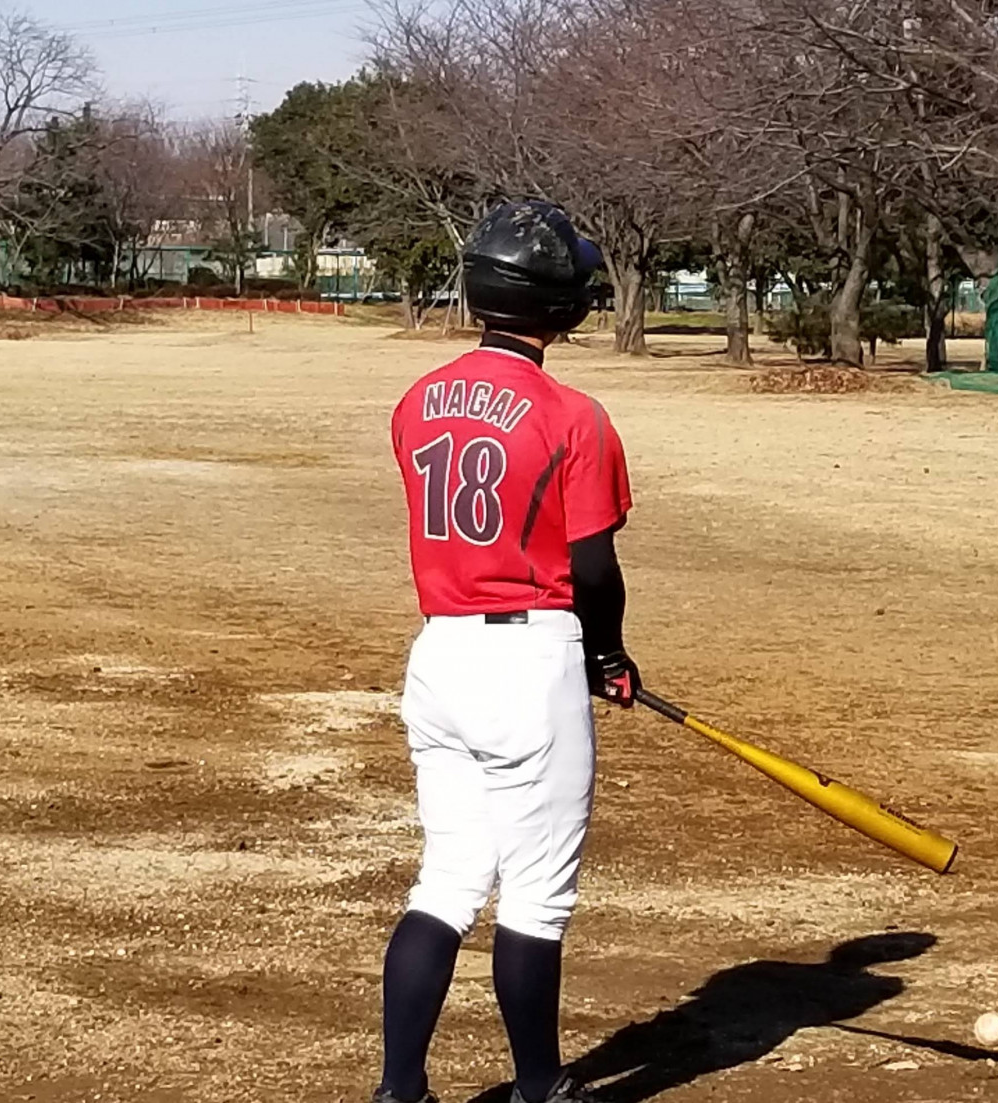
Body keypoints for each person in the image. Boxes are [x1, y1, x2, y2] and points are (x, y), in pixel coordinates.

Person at [378, 199, 639, 1103]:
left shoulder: (417, 400)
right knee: (535, 898)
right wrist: (608, 655)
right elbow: (592, 568)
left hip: (439, 655)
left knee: (448, 878)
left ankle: (399, 1090)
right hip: (529, 662)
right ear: (560, 303)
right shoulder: (574, 415)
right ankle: (541, 1088)